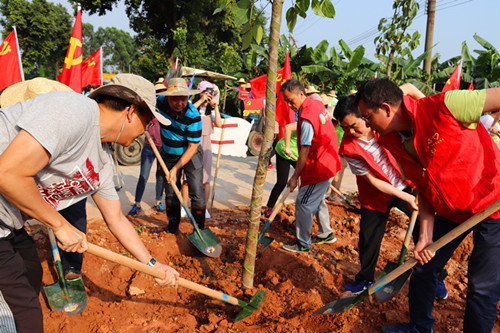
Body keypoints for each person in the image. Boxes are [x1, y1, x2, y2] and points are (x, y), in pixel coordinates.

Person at [0, 74, 179, 332]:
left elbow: (116, 218)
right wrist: (59, 225)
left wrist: (152, 265)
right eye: (148, 120)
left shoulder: (102, 159)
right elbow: (8, 173)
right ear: (130, 111)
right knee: (19, 313)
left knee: (30, 273)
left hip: (9, 225)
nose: (148, 129)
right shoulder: (75, 110)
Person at [355, 78, 500, 333]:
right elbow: (423, 185)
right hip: (450, 211)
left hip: (493, 207)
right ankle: (419, 327)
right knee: (424, 267)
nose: (365, 123)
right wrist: (425, 236)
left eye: (367, 116)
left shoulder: (447, 105)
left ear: (387, 109)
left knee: (482, 288)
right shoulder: (391, 141)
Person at [335, 95, 419, 294]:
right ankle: (365, 280)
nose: (351, 132)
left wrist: (410, 193)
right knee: (368, 238)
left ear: (365, 116)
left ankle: (436, 276)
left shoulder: (384, 126)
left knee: (424, 229)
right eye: (345, 128)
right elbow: (373, 181)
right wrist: (406, 197)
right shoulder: (348, 147)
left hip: (406, 183)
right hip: (376, 194)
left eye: (354, 125)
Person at [280, 79, 341, 252]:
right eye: (287, 102)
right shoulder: (316, 104)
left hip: (319, 166)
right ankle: (326, 233)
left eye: (291, 100)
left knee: (304, 202)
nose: (290, 105)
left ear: (301, 94)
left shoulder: (307, 117)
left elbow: (304, 151)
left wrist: (294, 178)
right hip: (328, 161)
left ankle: (303, 243)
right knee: (317, 198)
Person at [155, 78, 206, 234]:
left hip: (191, 154)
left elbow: (192, 148)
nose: (179, 103)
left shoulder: (193, 115)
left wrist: (176, 168)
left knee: (196, 190)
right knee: (171, 191)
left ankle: (199, 230)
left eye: (183, 99)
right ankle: (172, 227)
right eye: (175, 99)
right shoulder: (159, 103)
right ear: (167, 97)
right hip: (169, 153)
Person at [181, 81, 222, 219]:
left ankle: (203, 208)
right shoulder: (192, 107)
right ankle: (184, 207)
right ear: (199, 93)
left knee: (205, 179)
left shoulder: (211, 110)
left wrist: (215, 106)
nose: (209, 95)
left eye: (211, 93)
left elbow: (219, 124)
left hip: (206, 145)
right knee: (187, 178)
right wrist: (201, 101)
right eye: (206, 92)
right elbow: (186, 114)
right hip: (192, 143)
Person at [128, 79, 168, 217]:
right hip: (149, 146)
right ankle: (137, 204)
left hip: (163, 147)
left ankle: (158, 202)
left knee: (161, 176)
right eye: (158, 93)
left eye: (162, 92)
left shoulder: (167, 108)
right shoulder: (148, 107)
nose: (160, 95)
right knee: (143, 176)